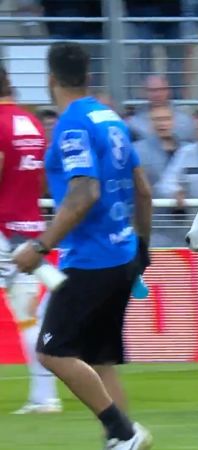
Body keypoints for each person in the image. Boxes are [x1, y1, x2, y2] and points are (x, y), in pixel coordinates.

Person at [12, 42, 154, 450]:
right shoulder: (110, 117)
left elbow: (83, 193)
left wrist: (39, 247)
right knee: (99, 362)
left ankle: (121, 432)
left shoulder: (72, 125)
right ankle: (127, 439)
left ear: (50, 79)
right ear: (88, 76)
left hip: (91, 261)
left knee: (52, 352)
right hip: (123, 253)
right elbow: (142, 190)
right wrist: (141, 246)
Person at [0, 65, 62, 415]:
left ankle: (44, 398)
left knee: (25, 316)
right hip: (28, 223)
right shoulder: (32, 122)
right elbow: (38, 180)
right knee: (28, 313)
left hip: (3, 228)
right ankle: (44, 396)